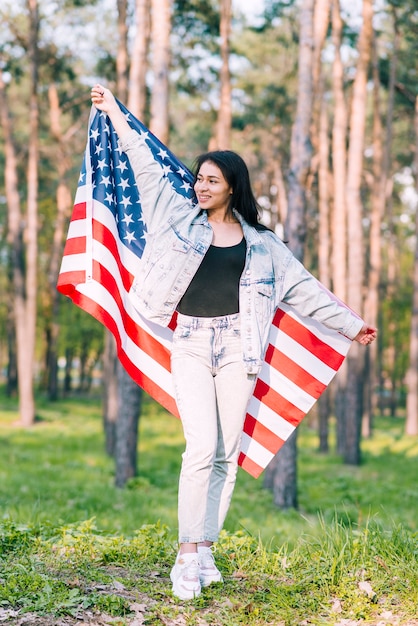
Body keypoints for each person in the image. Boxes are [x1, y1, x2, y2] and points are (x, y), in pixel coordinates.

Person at [90, 84, 377, 601]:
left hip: (240, 350)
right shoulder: (175, 217)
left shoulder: (264, 246)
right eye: (198, 178)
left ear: (231, 187)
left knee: (226, 454)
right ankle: (184, 557)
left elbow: (306, 291)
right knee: (199, 447)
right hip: (193, 344)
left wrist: (350, 325)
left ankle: (205, 550)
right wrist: (113, 111)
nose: (200, 186)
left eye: (211, 180)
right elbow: (145, 166)